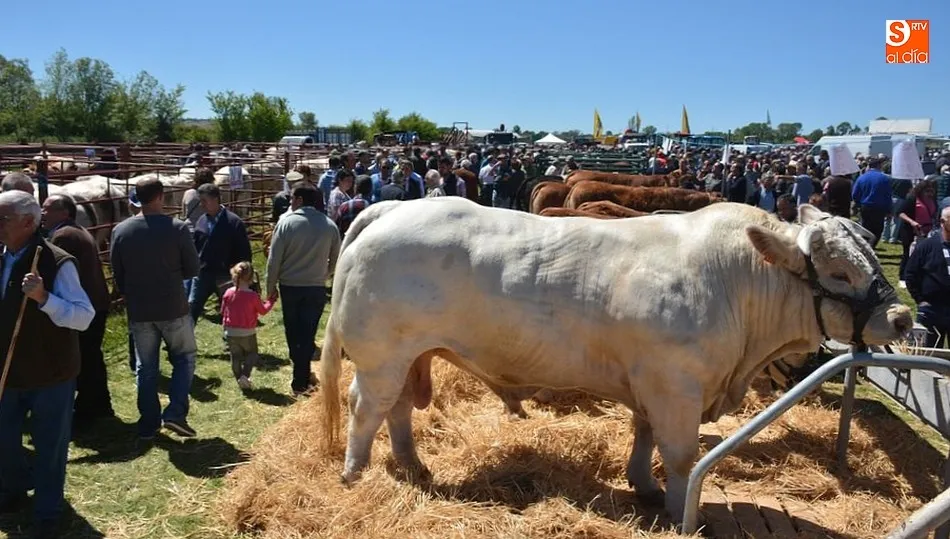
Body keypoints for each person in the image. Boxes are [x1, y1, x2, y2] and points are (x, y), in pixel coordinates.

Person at [0, 191, 94, 539]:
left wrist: (44, 298)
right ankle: (12, 491)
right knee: (5, 440)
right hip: (7, 372)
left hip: (50, 373)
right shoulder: (1, 257)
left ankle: (47, 511)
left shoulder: (56, 261)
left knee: (50, 446)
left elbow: (83, 317)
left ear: (28, 222)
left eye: (3, 219)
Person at [110, 176, 200, 439]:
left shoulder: (121, 230)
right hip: (173, 305)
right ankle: (175, 412)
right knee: (184, 358)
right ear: (160, 196)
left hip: (140, 309)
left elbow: (117, 273)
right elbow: (193, 269)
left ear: (137, 198)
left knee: (146, 367)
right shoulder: (178, 228)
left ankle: (148, 423)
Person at [41, 194, 114, 427]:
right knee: (92, 356)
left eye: (48, 209)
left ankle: (87, 410)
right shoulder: (77, 230)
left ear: (64, 213)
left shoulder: (64, 236)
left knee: (83, 358)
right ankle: (101, 405)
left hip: (86, 305)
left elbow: (55, 270)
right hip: (97, 302)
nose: (43, 213)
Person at [266, 184, 341, 396]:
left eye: (292, 198)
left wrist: (270, 287)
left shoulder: (286, 223)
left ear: (299, 199)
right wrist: (324, 274)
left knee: (293, 331)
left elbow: (274, 260)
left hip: (290, 285)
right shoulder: (329, 225)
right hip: (316, 286)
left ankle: (299, 379)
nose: (290, 201)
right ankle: (303, 374)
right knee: (308, 332)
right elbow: (337, 258)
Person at [188, 183, 252, 324]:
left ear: (216, 199)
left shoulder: (233, 222)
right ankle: (183, 343)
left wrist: (241, 273)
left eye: (204, 201)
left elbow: (244, 251)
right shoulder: (202, 221)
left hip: (226, 274)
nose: (201, 205)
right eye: (200, 201)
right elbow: (196, 246)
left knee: (230, 309)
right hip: (203, 273)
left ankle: (231, 341)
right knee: (192, 305)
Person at [221, 262, 275, 390]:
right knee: (252, 354)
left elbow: (223, 310)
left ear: (234, 276)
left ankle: (239, 378)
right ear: (251, 278)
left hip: (230, 331)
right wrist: (271, 301)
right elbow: (263, 311)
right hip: (247, 332)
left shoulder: (228, 293)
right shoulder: (252, 296)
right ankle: (245, 376)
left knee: (235, 357)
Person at [904, 206, 950, 348]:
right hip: (931, 311)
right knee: (928, 354)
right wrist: (920, 300)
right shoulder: (927, 247)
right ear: (942, 221)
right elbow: (910, 274)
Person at [897, 179, 938, 282]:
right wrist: (912, 222)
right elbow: (900, 213)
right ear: (921, 190)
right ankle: (902, 277)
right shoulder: (911, 199)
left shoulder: (933, 200)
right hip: (910, 231)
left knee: (922, 255)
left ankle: (918, 275)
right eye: (927, 191)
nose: (930, 193)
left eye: (931, 191)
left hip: (926, 231)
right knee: (907, 254)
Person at [851, 157, 892, 247]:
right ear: (879, 166)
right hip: (880, 208)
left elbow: (855, 194)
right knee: (878, 229)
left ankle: (864, 246)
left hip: (865, 207)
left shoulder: (862, 178)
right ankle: (872, 246)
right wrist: (889, 210)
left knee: (865, 228)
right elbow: (888, 195)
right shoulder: (885, 179)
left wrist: (857, 204)